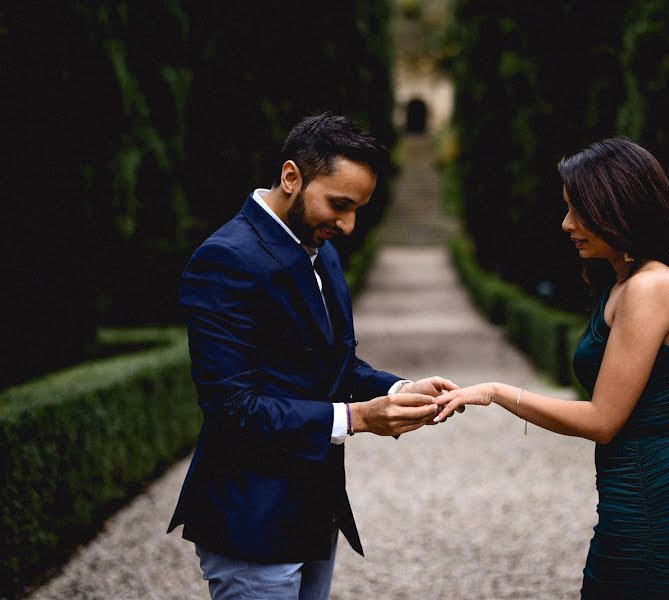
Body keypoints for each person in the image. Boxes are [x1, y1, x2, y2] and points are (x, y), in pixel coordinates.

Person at [167, 113, 456, 600]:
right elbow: (232, 408)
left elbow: (334, 365)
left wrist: (397, 389)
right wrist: (359, 417)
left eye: (359, 208)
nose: (348, 225)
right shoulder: (225, 259)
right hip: (251, 518)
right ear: (290, 177)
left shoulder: (322, 250)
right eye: (340, 205)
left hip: (314, 508)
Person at [435, 138, 669, 598]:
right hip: (635, 496)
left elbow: (604, 420)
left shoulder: (650, 289)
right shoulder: (625, 284)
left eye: (578, 211)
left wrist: (497, 392)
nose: (567, 225)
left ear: (618, 205)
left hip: (649, 500)